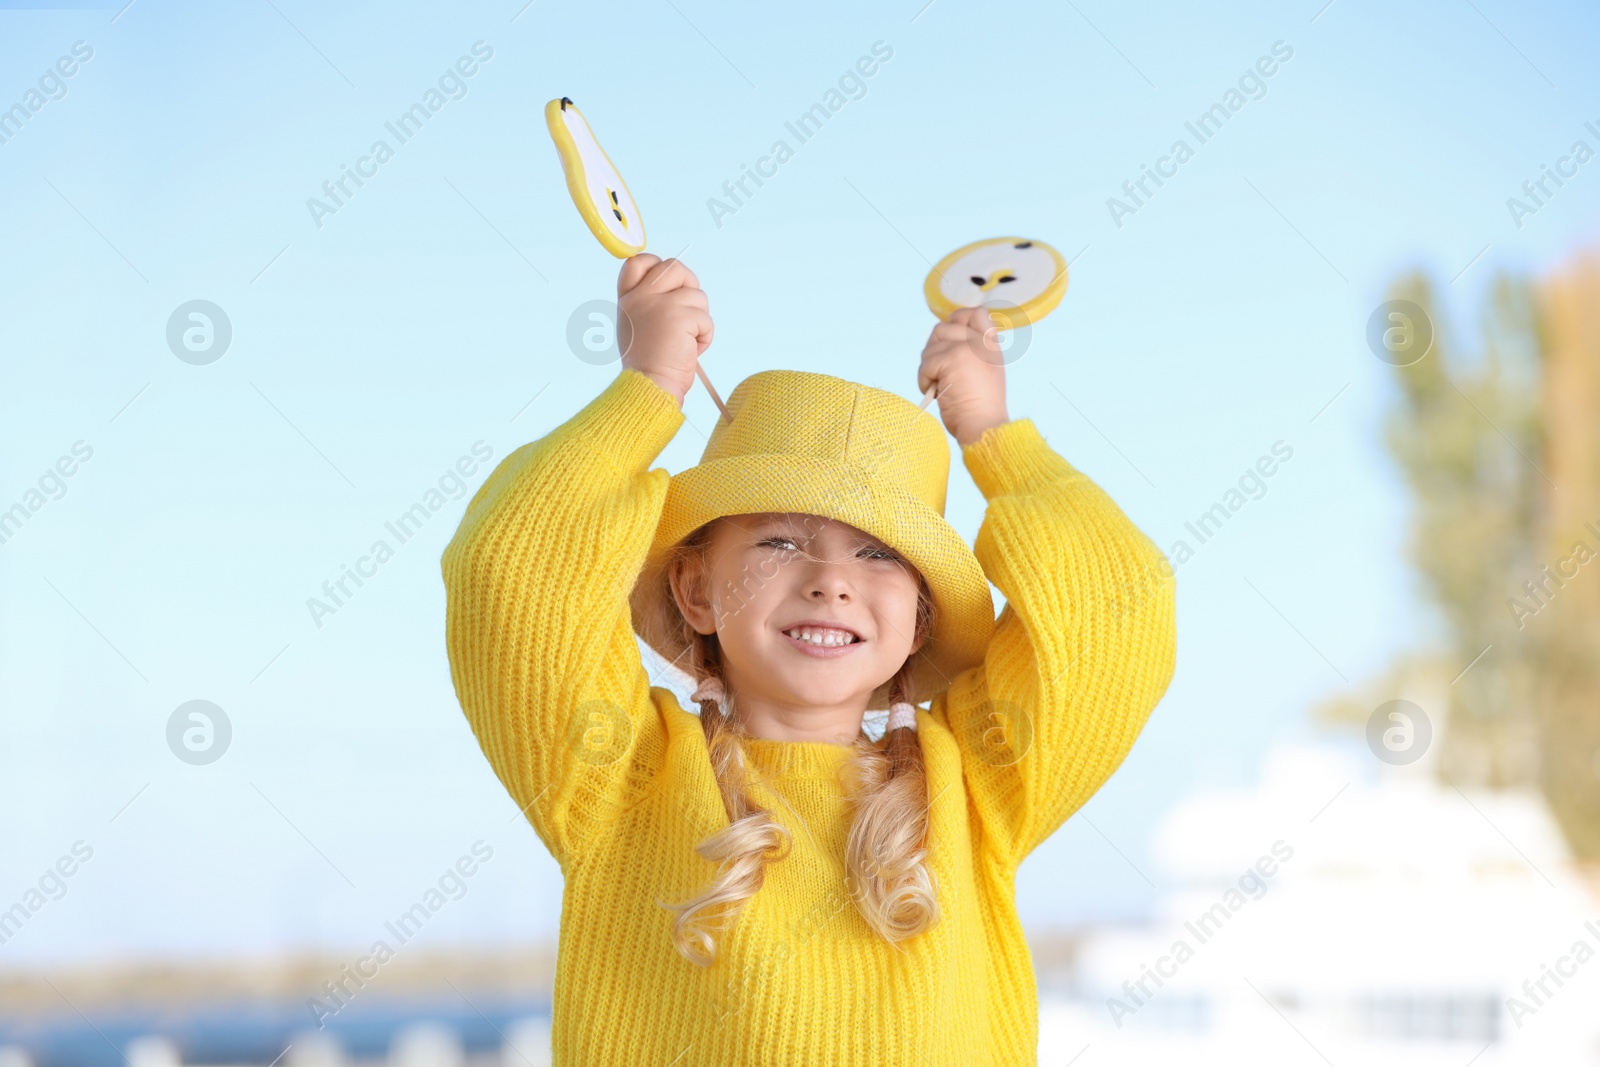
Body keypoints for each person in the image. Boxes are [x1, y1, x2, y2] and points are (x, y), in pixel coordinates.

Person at [439, 254, 1177, 1065]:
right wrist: (647, 390)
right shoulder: (618, 775)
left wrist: (998, 442)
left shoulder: (970, 784)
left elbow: (1120, 610)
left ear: (920, 618)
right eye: (781, 541)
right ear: (693, 588)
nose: (831, 582)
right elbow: (509, 569)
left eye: (878, 555)